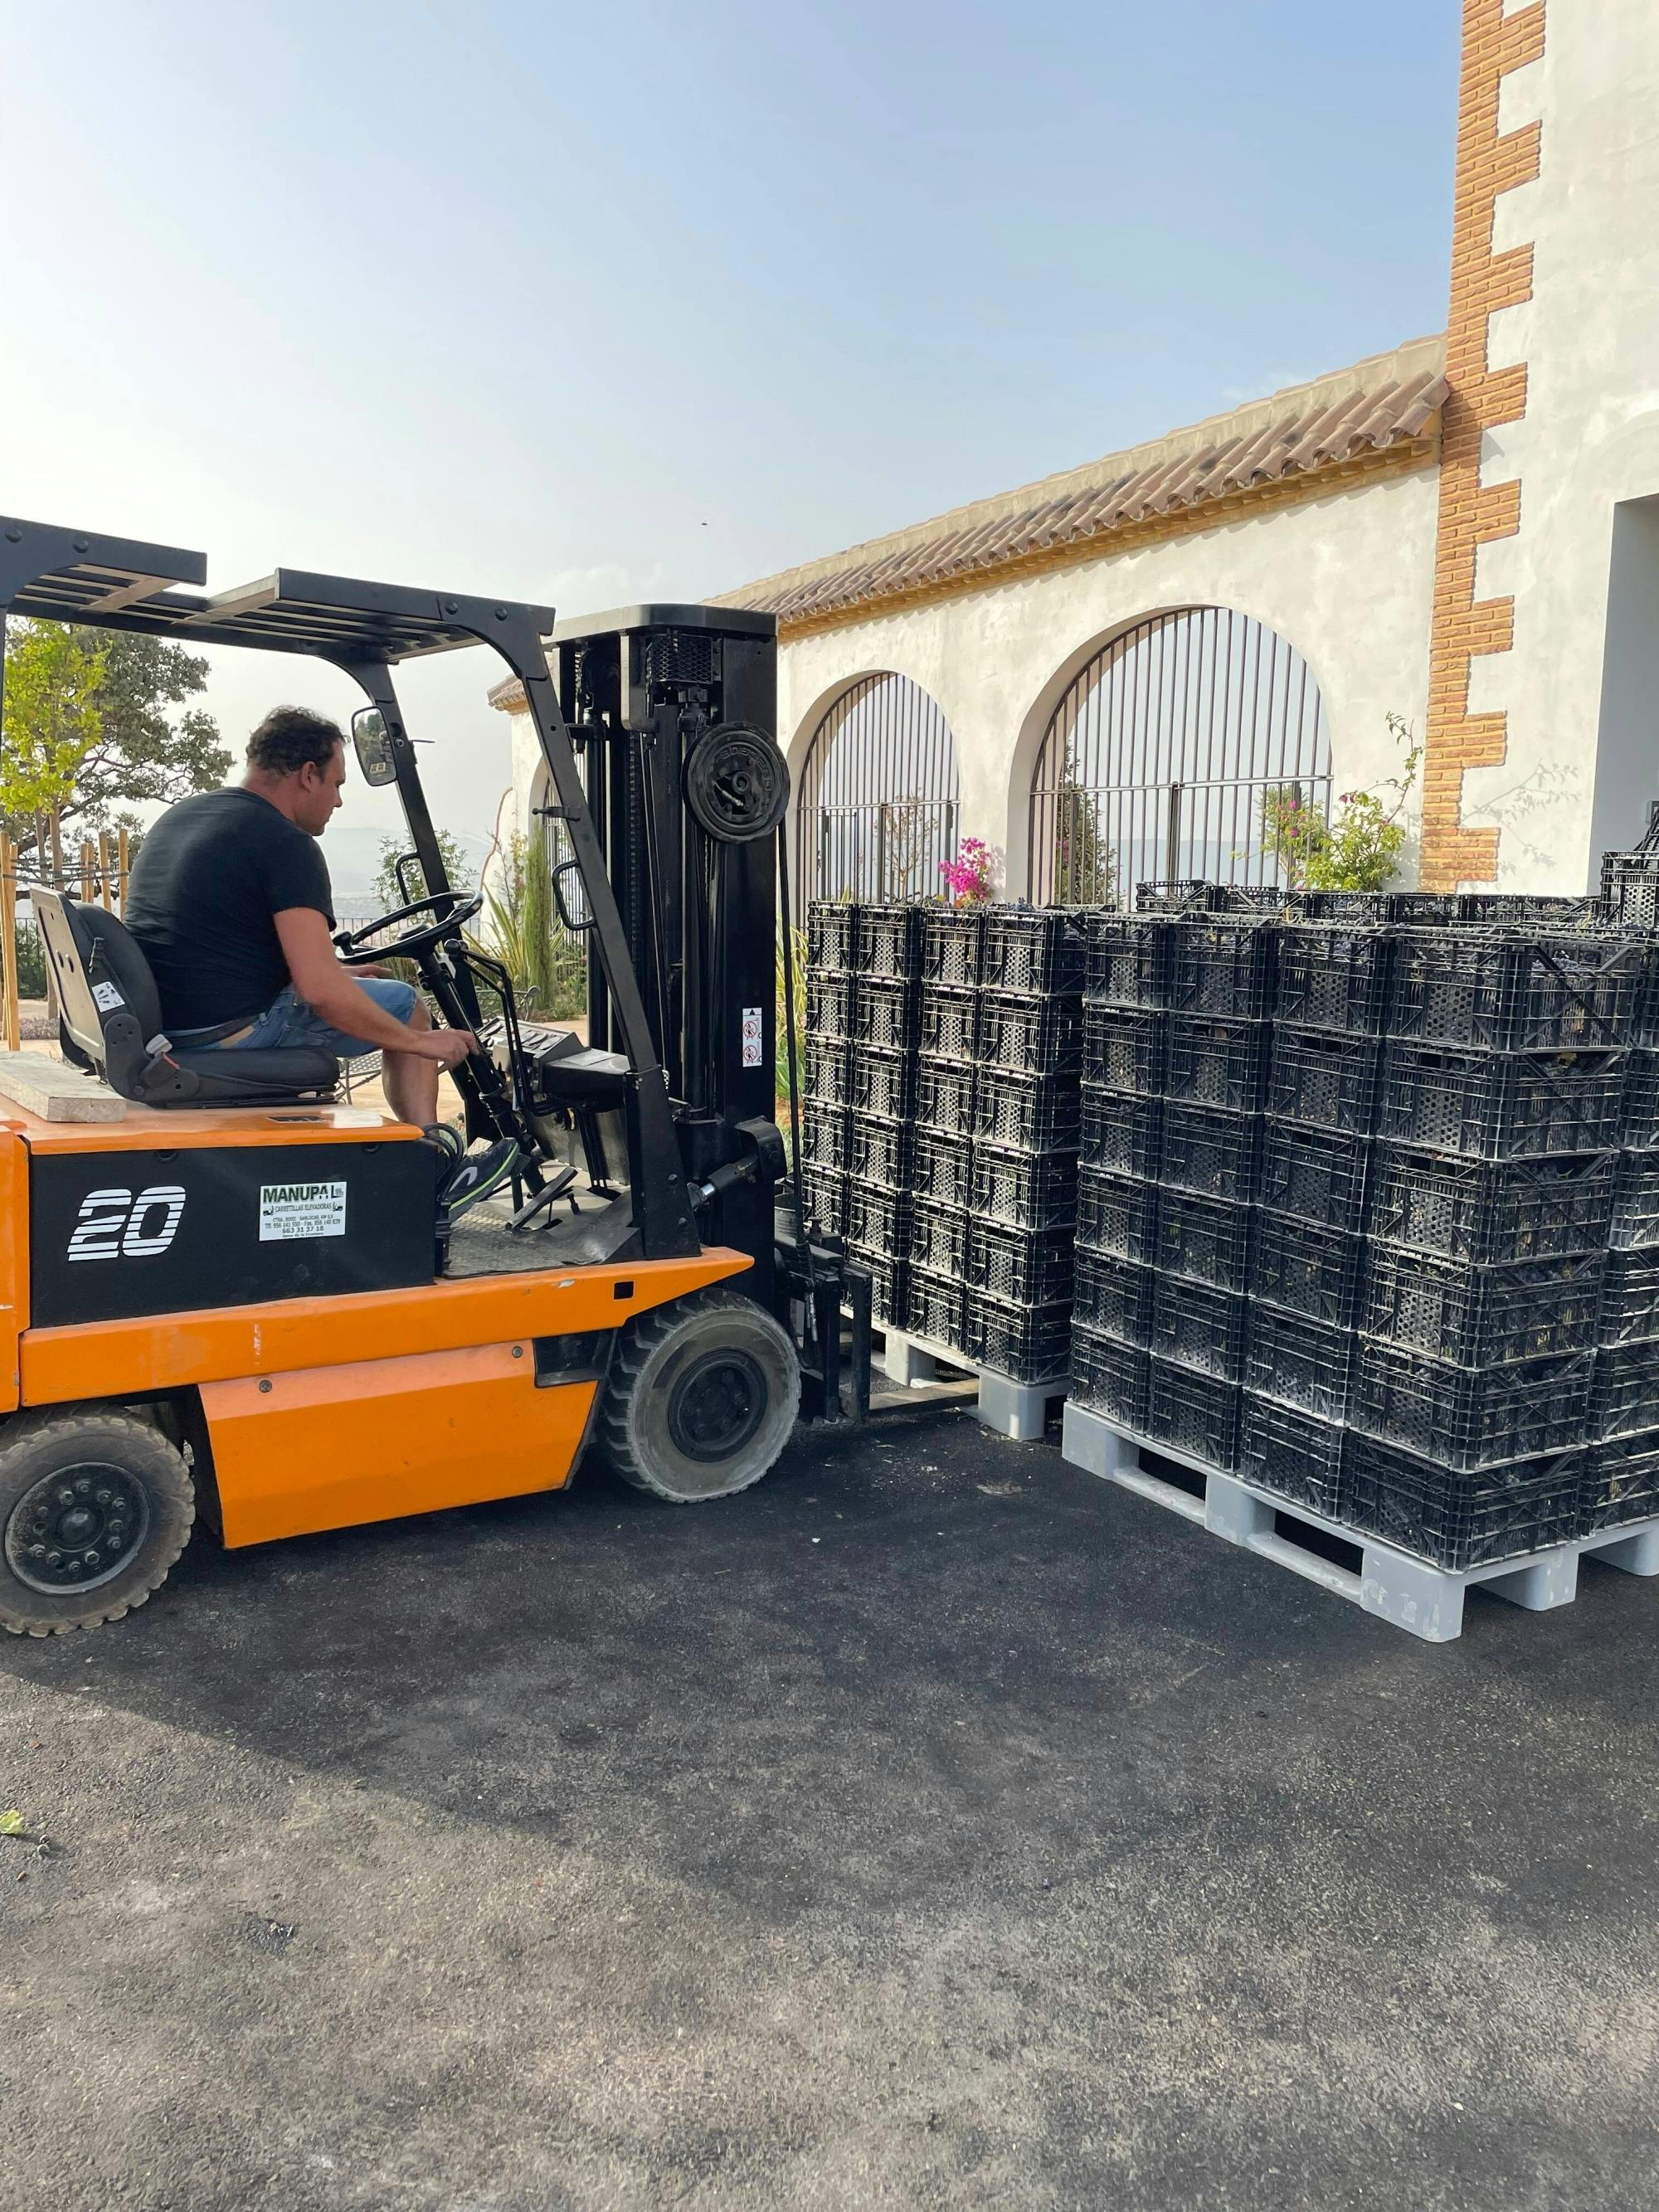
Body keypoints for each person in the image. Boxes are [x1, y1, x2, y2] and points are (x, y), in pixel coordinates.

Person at [124, 704, 522, 1216]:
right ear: (307, 775)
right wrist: (421, 1042)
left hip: (174, 1020)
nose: (337, 801)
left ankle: (423, 1161)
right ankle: (429, 1175)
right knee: (404, 1004)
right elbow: (318, 992)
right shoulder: (286, 845)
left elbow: (216, 938)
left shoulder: (184, 816)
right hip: (228, 1028)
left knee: (368, 991)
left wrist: (335, 972)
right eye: (336, 783)